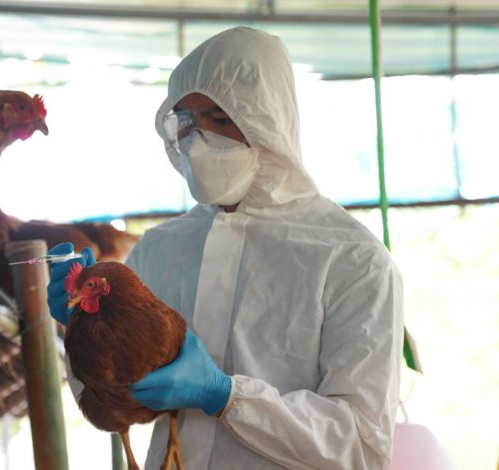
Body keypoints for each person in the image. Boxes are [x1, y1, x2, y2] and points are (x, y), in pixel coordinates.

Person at [47, 26, 403, 469]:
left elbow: (361, 447)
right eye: (187, 123)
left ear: (266, 119)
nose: (198, 142)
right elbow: (115, 410)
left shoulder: (352, 260)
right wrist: (82, 334)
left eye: (219, 119)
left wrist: (228, 398)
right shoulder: (159, 250)